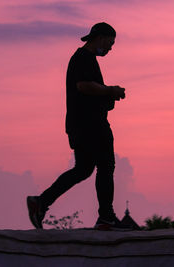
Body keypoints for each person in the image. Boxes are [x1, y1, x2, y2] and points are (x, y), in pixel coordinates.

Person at [27, 22, 127, 230]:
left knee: (83, 169)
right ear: (100, 38)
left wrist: (107, 96)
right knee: (106, 166)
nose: (111, 48)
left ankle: (41, 202)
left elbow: (88, 89)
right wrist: (110, 91)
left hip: (81, 125)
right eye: (110, 42)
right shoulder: (83, 59)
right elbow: (83, 85)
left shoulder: (84, 59)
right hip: (90, 125)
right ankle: (106, 218)